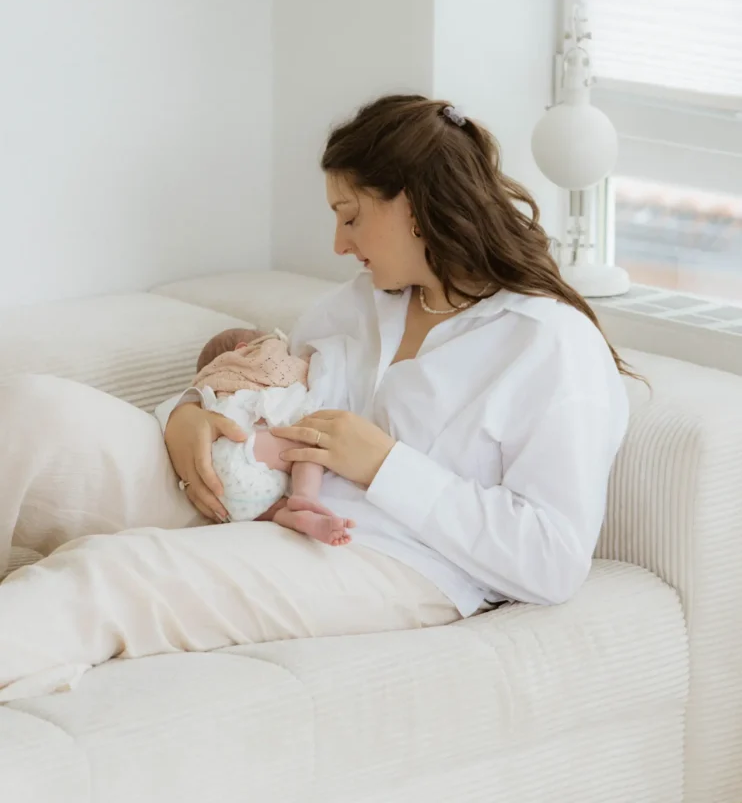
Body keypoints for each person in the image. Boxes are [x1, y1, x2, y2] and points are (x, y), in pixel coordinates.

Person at [0, 93, 631, 704]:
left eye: (350, 216)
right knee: (31, 411)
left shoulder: (548, 343)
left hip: (388, 556)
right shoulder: (358, 302)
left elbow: (552, 560)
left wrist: (384, 465)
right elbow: (267, 382)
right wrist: (187, 411)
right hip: (251, 487)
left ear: (415, 205)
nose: (339, 244)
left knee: (110, 573)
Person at [188, 327, 356, 545]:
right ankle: (305, 497)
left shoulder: (208, 389)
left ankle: (296, 517)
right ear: (244, 350)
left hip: (223, 495)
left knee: (276, 509)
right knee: (308, 446)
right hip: (239, 450)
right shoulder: (258, 360)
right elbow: (288, 369)